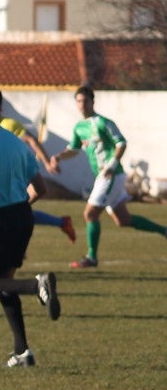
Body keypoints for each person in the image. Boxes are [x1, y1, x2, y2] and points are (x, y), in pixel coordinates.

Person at [0, 84, 60, 367]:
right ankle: (23, 352)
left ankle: (37, 284)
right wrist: (18, 208)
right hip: (23, 217)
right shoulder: (16, 142)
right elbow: (40, 188)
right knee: (5, 284)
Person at [48, 85, 167, 269]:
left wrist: (111, 165)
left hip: (111, 175)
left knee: (90, 213)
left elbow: (121, 143)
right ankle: (164, 231)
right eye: (78, 101)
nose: (82, 104)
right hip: (102, 177)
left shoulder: (103, 123)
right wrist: (57, 157)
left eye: (85, 101)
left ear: (92, 101)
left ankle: (91, 257)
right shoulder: (79, 127)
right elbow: (73, 149)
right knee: (123, 220)